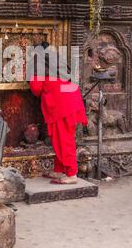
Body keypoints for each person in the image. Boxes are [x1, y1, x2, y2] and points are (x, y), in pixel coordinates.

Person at [28, 42, 88, 184]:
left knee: (64, 139)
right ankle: (60, 169)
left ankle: (72, 174)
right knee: (60, 138)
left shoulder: (39, 65)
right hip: (69, 102)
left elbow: (36, 89)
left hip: (61, 106)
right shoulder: (57, 61)